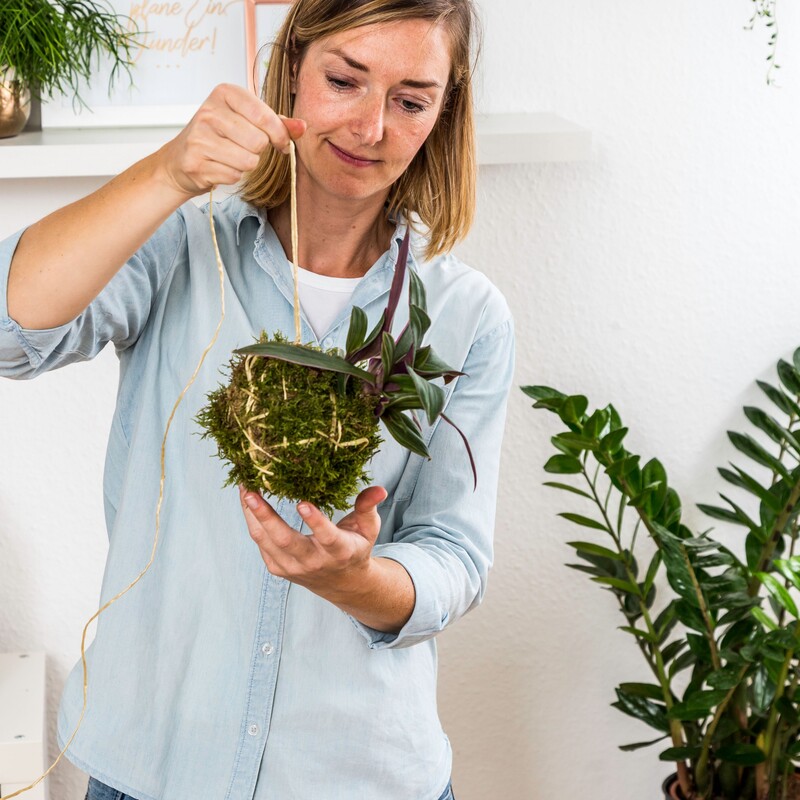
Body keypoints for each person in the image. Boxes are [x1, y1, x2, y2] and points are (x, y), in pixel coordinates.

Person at [0, 0, 514, 798]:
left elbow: (453, 555)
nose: (371, 126)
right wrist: (169, 171)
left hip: (358, 773)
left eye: (411, 100)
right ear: (291, 71)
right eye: (345, 80)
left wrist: (356, 581)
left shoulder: (465, 314)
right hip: (154, 764)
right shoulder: (181, 243)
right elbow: (11, 330)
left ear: (444, 112)